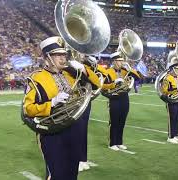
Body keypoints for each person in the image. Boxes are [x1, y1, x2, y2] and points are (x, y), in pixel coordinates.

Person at [23, 36, 101, 179]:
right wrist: (51, 103)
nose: (63, 58)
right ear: (47, 57)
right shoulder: (36, 78)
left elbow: (97, 84)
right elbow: (28, 109)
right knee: (58, 175)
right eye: (58, 55)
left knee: (72, 173)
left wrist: (83, 68)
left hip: (74, 130)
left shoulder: (71, 74)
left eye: (64, 54)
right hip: (52, 134)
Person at [102, 52, 141, 151]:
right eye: (119, 61)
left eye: (122, 60)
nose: (121, 62)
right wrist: (113, 84)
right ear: (114, 61)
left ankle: (119, 142)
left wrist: (130, 69)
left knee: (122, 122)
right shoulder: (108, 72)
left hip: (124, 97)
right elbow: (102, 86)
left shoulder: (125, 70)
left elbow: (138, 78)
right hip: (114, 98)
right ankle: (112, 143)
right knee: (114, 122)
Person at [161, 60, 178, 144]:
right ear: (172, 69)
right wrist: (176, 90)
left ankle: (175, 135)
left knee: (177, 117)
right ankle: (170, 136)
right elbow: (164, 91)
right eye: (176, 69)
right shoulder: (167, 78)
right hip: (171, 100)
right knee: (171, 118)